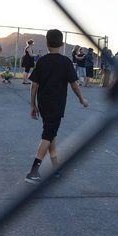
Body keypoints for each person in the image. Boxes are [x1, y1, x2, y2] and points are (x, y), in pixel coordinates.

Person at [25, 29, 88, 183]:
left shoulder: (41, 61)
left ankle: (55, 167)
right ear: (62, 44)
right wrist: (81, 99)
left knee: (50, 132)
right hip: (57, 104)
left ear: (46, 43)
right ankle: (33, 171)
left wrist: (33, 105)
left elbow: (34, 85)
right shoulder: (65, 62)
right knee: (48, 134)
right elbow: (74, 84)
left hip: (44, 103)